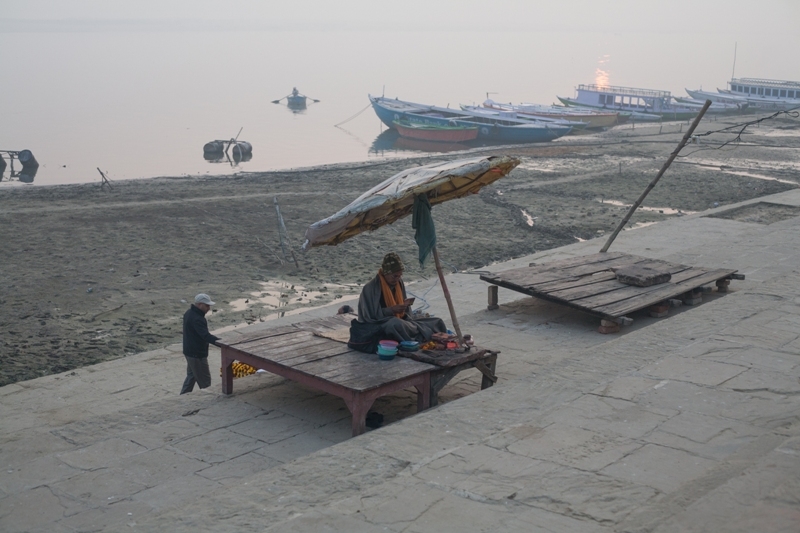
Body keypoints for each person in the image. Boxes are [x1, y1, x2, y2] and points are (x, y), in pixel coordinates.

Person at [348, 252, 446, 353]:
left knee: (436, 321)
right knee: (394, 324)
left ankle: (415, 332)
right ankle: (415, 336)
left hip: (402, 321)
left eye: (399, 276)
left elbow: (407, 313)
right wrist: (390, 310)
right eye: (394, 276)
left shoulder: (399, 282)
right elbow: (369, 317)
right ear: (386, 273)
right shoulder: (370, 288)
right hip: (379, 324)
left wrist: (405, 306)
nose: (397, 279)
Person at [180, 293, 220, 394]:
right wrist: (221, 342)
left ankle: (183, 397)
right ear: (199, 304)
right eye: (207, 305)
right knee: (205, 382)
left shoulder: (189, 313)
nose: (209, 308)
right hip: (197, 354)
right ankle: (208, 401)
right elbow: (205, 336)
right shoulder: (198, 319)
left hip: (189, 351)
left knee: (191, 376)